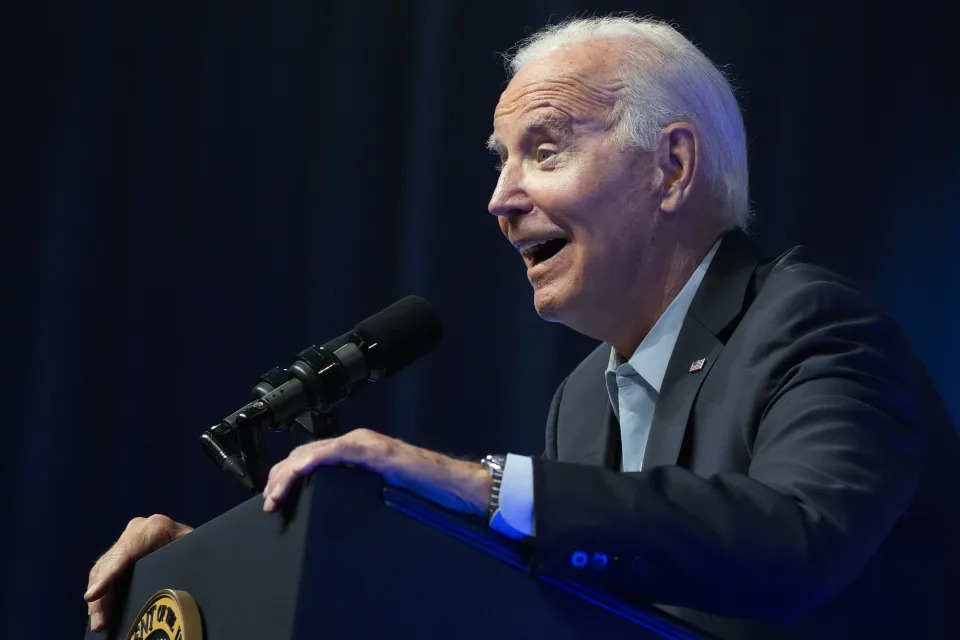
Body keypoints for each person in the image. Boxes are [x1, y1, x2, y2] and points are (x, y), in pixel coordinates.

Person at [85, 16, 960, 639]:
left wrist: (486, 487)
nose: (501, 200)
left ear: (673, 166)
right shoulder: (583, 400)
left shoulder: (812, 325)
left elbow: (796, 542)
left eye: (544, 151)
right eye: (501, 162)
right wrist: (229, 577)